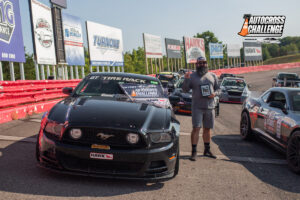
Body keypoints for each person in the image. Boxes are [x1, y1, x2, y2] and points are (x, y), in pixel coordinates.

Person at [182, 56, 220, 161]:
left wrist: (214, 94)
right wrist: (186, 79)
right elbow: (185, 90)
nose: (202, 64)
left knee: (207, 129)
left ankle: (207, 150)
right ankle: (194, 152)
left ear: (206, 64)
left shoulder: (213, 75)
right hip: (197, 107)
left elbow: (219, 89)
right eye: (199, 63)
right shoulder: (192, 76)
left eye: (204, 62)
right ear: (196, 64)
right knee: (196, 128)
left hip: (210, 107)